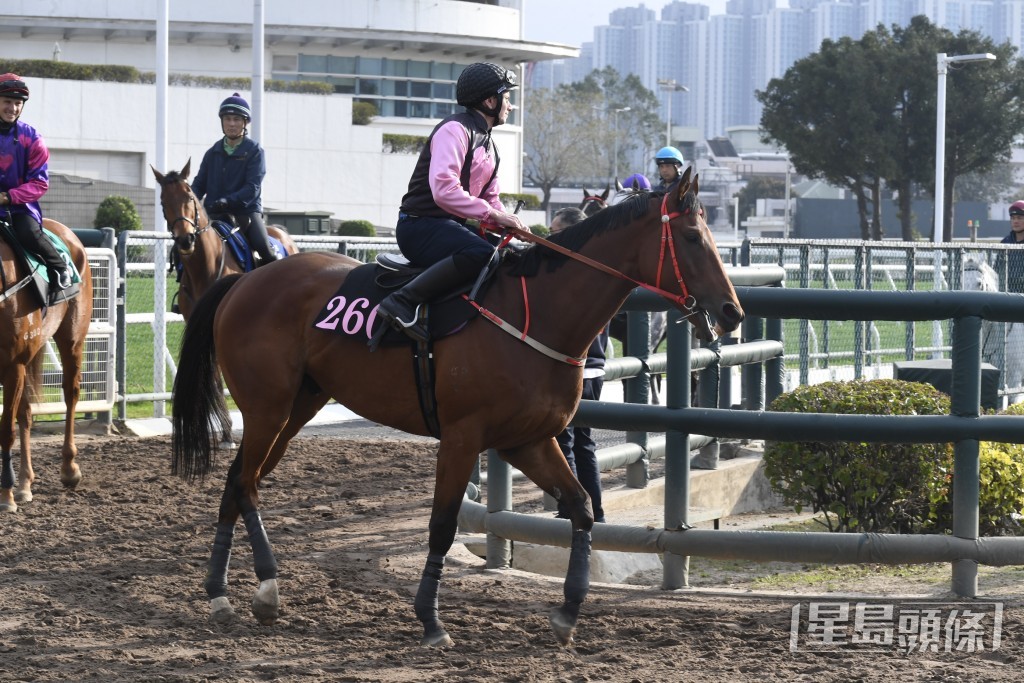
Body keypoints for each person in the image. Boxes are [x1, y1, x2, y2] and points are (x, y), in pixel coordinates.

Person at [371, 62, 525, 346]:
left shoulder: (491, 147)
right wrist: (492, 215)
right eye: (507, 98)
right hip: (419, 227)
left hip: (449, 229)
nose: (510, 106)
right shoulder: (455, 130)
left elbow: (490, 200)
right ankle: (402, 302)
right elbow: (444, 190)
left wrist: (512, 226)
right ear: (490, 100)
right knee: (482, 253)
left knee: (513, 255)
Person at [549, 206, 608, 522]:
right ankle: (595, 510)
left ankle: (572, 510)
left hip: (575, 369)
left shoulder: (569, 270)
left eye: (555, 232)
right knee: (584, 443)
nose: (550, 237)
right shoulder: (598, 266)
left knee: (565, 442)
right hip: (595, 367)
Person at [0, 73, 71, 290]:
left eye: (17, 103)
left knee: (28, 233)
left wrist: (8, 197)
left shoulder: (32, 139)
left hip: (19, 209)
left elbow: (39, 183)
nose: (12, 108)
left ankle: (60, 268)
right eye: (7, 102)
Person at [190, 93, 278, 266]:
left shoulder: (254, 151)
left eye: (236, 119)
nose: (231, 124)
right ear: (222, 121)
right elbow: (199, 184)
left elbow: (252, 188)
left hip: (246, 213)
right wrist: (189, 201)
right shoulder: (212, 152)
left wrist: (227, 201)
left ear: (245, 123)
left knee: (264, 249)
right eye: (227, 119)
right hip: (214, 213)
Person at [1000, 201, 1024, 293]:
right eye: (1013, 218)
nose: (1015, 221)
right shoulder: (1005, 242)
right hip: (1006, 292)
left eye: (1020, 218)